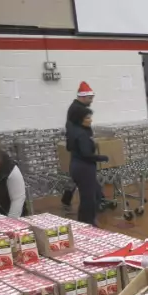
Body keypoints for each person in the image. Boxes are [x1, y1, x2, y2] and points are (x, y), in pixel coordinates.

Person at [66, 107, 108, 225]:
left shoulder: (74, 131)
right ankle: (88, 223)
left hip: (76, 166)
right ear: (80, 119)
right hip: (84, 168)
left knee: (92, 195)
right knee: (89, 198)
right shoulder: (82, 134)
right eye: (88, 118)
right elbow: (86, 154)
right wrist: (102, 158)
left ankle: (84, 222)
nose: (90, 120)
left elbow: (69, 147)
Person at [61, 82, 96, 210]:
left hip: (78, 147)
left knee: (75, 176)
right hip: (79, 149)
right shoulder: (77, 109)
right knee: (81, 177)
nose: (91, 101)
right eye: (89, 98)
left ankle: (67, 199)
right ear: (82, 97)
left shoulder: (76, 107)